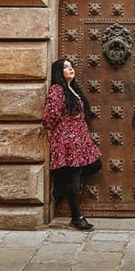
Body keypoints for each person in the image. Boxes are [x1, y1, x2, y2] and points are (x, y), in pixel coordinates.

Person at [42, 58, 102, 231]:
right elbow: (49, 117)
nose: (70, 69)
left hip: (80, 139)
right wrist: (64, 131)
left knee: (95, 164)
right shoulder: (57, 90)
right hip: (67, 140)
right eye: (65, 67)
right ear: (58, 72)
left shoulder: (72, 89)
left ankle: (61, 184)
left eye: (71, 66)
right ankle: (76, 218)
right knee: (74, 177)